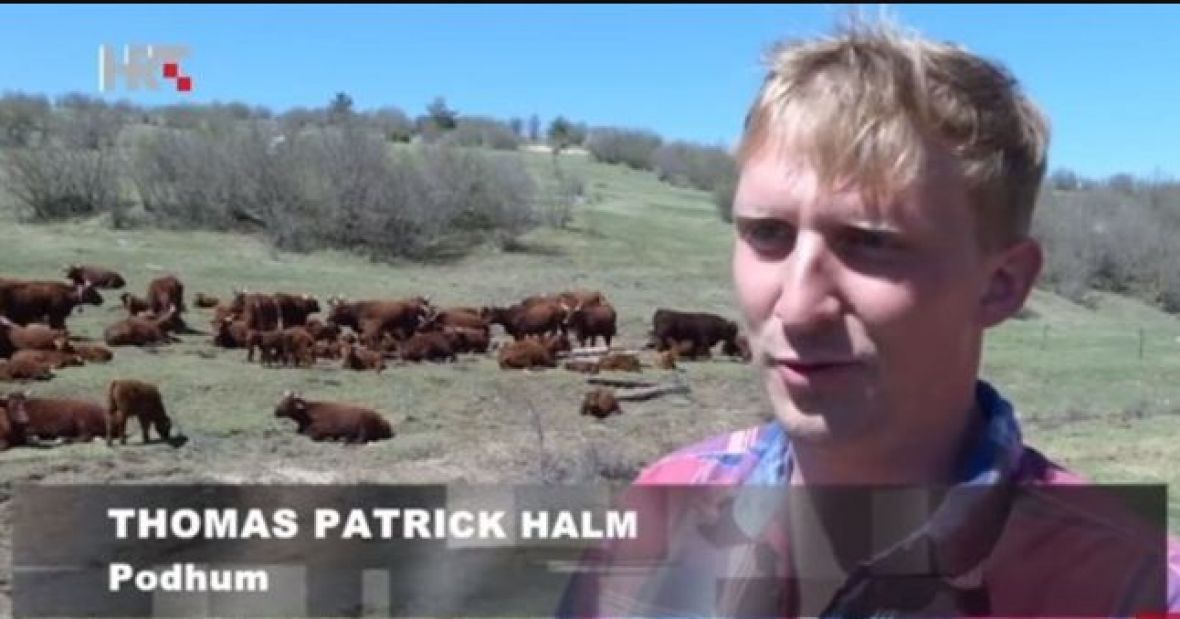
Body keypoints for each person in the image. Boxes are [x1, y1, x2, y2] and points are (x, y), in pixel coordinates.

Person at [558, 15, 1180, 618]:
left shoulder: (1134, 587)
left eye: (871, 242)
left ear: (1001, 284)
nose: (797, 308)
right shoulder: (655, 514)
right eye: (767, 233)